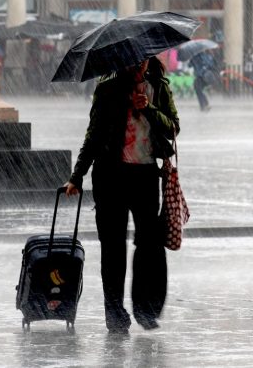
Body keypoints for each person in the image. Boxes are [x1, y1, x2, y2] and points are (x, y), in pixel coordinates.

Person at [64, 56, 179, 335]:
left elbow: (173, 127)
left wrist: (149, 108)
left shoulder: (159, 86)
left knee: (148, 245)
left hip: (145, 176)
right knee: (113, 248)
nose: (138, 66)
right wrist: (77, 176)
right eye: (133, 62)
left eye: (142, 61)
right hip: (110, 176)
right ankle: (114, 312)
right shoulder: (108, 88)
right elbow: (93, 135)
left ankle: (146, 309)